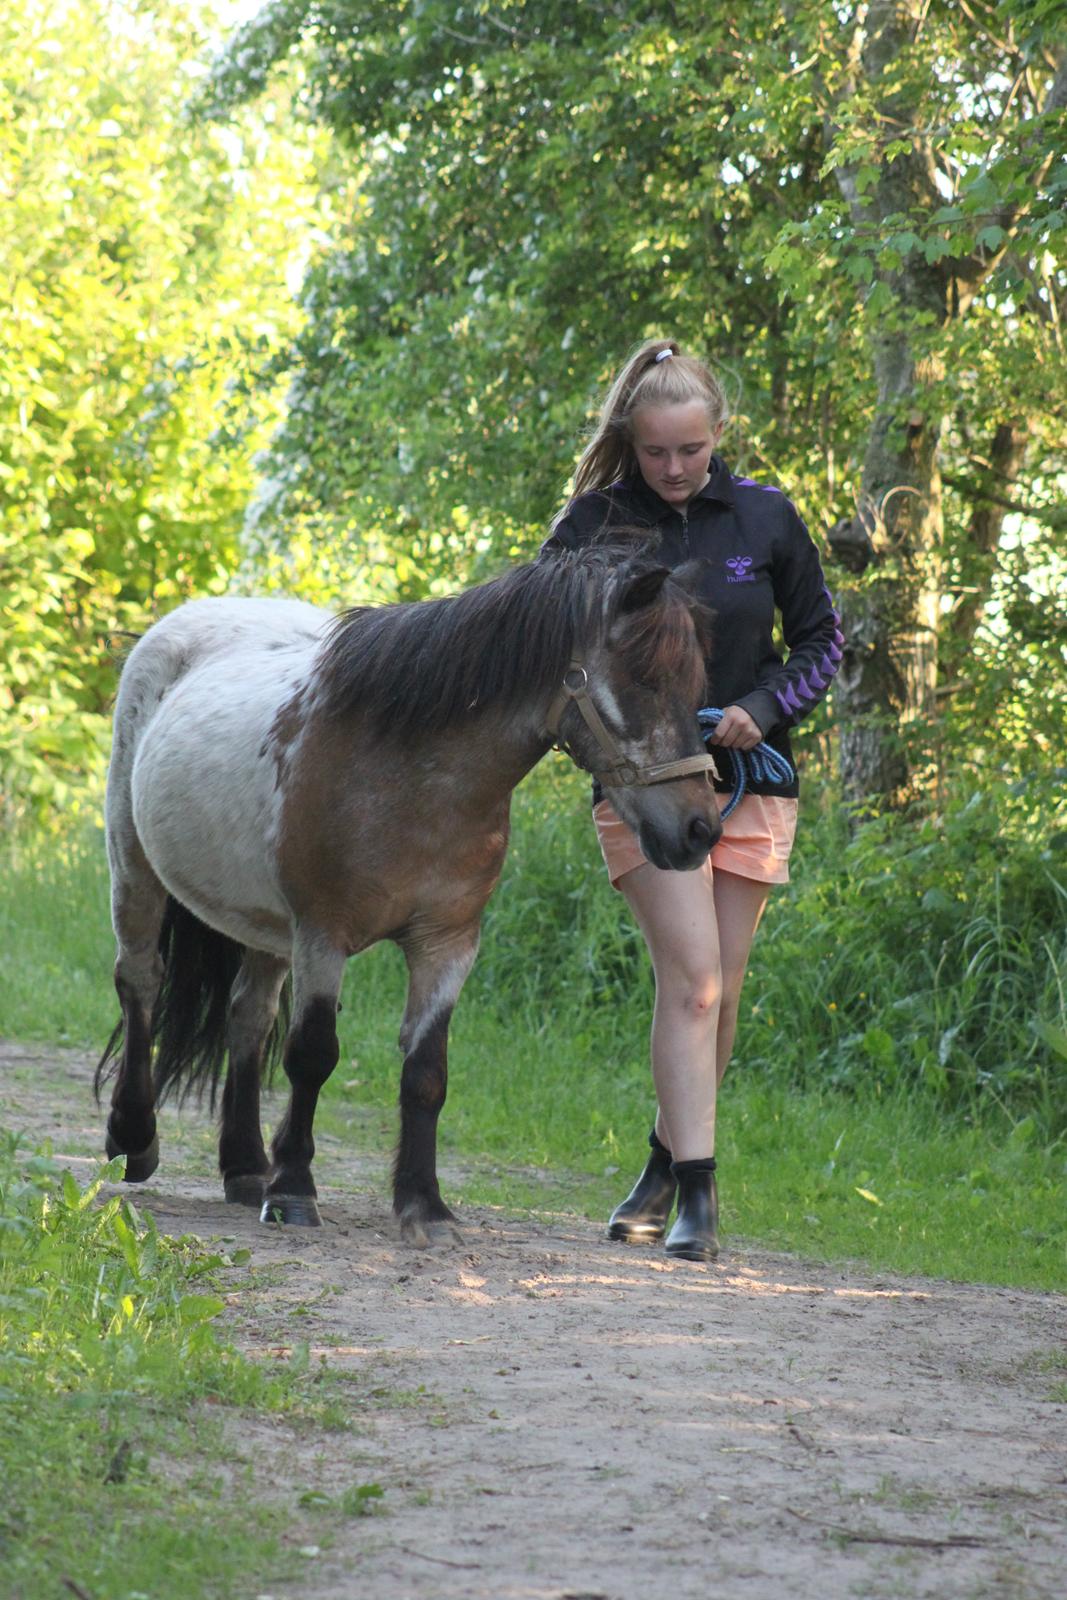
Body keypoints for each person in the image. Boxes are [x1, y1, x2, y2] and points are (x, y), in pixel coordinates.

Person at [543, 337, 843, 1262]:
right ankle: (700, 1200)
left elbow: (823, 645)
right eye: (654, 453)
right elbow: (538, 641)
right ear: (629, 443)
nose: (673, 470)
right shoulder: (592, 523)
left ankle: (662, 1168)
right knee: (695, 981)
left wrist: (760, 708)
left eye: (690, 451)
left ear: (718, 435)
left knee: (722, 990)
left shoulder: (767, 518)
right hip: (644, 791)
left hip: (755, 784)